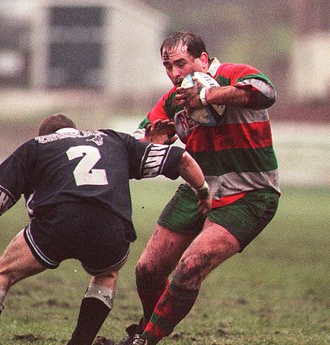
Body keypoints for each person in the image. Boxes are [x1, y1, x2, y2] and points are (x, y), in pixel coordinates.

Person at [0, 113, 212, 345]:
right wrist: (202, 191)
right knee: (106, 274)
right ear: (75, 131)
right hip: (110, 227)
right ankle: (80, 341)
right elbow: (182, 159)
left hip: (57, 224)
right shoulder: (113, 140)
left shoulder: (36, 147)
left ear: (47, 135)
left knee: (1, 275)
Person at [120, 30, 281, 345]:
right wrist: (150, 146)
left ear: (203, 59)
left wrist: (207, 96)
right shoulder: (173, 101)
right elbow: (138, 141)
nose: (174, 74)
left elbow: (266, 91)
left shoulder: (233, 74)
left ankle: (145, 339)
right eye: (168, 67)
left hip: (250, 196)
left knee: (190, 267)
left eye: (181, 63)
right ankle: (151, 327)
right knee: (148, 270)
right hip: (197, 191)